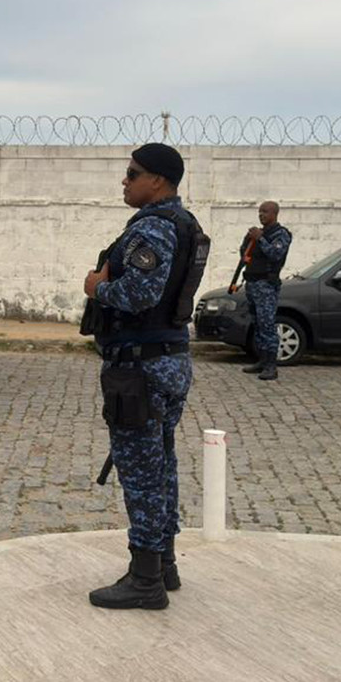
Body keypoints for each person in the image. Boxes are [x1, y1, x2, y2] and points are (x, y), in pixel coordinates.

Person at [81, 143, 201, 611]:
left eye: (132, 174)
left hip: (141, 368)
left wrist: (97, 287)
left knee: (143, 475)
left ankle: (145, 578)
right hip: (167, 359)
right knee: (162, 465)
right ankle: (163, 563)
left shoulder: (154, 227)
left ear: (158, 181)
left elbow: (140, 292)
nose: (125, 181)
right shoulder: (184, 223)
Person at [236, 201, 292, 381]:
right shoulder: (258, 233)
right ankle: (261, 360)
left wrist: (260, 238)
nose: (261, 215)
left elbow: (275, 254)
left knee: (267, 325)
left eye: (265, 212)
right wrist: (248, 240)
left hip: (266, 285)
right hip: (252, 283)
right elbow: (245, 255)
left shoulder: (280, 234)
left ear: (275, 213)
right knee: (258, 324)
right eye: (260, 211)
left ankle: (271, 366)